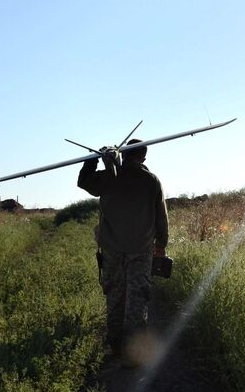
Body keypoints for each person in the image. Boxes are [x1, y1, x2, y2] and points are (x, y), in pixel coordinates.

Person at [77, 139, 169, 364]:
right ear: (143, 157)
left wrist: (93, 159)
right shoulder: (151, 180)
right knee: (137, 300)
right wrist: (161, 245)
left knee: (115, 297)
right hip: (141, 250)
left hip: (112, 250)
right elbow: (161, 216)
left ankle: (116, 347)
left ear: (124, 155)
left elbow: (84, 182)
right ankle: (132, 355)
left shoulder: (109, 177)